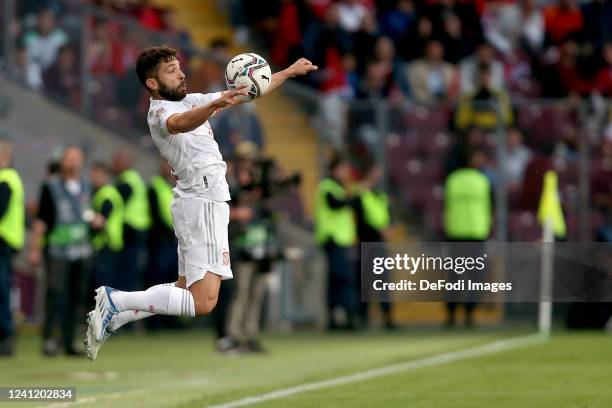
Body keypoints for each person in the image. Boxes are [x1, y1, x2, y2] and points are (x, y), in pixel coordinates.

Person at [84, 45, 317, 360]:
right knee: (203, 302)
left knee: (184, 290)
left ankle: (118, 316)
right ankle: (117, 302)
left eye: (178, 66)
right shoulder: (159, 113)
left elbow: (251, 90)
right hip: (202, 202)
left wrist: (288, 72)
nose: (180, 73)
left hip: (200, 202)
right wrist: (215, 104)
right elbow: (181, 123)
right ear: (152, 83)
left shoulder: (192, 100)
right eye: (170, 70)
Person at [28, 146, 92, 356]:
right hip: (57, 249)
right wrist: (35, 248)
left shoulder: (85, 185)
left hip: (81, 249)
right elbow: (41, 219)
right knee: (55, 294)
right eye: (69, 158)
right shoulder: (51, 186)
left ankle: (70, 341)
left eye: (77, 158)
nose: (73, 162)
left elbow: (85, 213)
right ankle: (49, 339)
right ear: (62, 161)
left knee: (77, 296)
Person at [443, 149, 492, 328]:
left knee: (454, 277)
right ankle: (470, 315)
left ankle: (451, 315)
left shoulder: (452, 180)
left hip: (455, 233)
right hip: (476, 233)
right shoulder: (482, 180)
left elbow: (446, 207)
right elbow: (488, 207)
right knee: (474, 277)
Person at [315, 157, 358, 330]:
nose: (345, 173)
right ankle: (343, 316)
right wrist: (352, 199)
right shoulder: (327, 186)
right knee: (341, 278)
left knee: (336, 280)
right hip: (333, 239)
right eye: (343, 168)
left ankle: (336, 317)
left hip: (341, 240)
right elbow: (335, 204)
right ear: (335, 169)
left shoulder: (337, 187)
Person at [112, 150, 150, 293]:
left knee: (124, 269)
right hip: (139, 228)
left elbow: (117, 205)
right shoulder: (135, 178)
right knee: (130, 268)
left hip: (130, 228)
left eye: (116, 162)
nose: (113, 165)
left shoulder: (126, 181)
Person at [0, 141, 25, 357]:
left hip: (3, 240)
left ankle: (5, 335)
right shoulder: (12, 178)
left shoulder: (5, 179)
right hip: (9, 240)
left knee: (1, 289)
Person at [89, 161, 124, 292]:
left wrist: (88, 217)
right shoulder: (106, 192)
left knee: (102, 284)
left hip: (107, 242)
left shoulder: (106, 194)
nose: (92, 178)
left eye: (95, 175)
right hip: (110, 242)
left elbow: (101, 221)